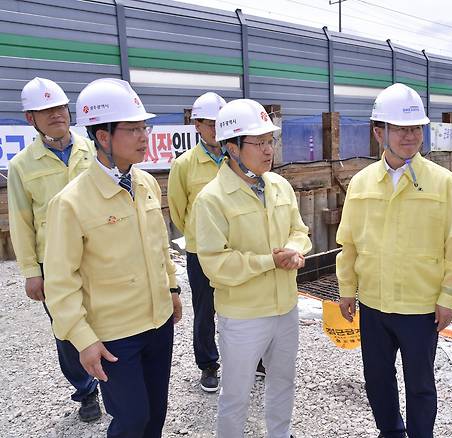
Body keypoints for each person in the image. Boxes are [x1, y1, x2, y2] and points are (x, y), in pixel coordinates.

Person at [43, 78, 182, 438]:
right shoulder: (71, 203)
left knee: (156, 415)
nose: (144, 136)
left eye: (144, 127)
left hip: (159, 324)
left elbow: (159, 244)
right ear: (102, 137)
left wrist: (173, 288)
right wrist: (82, 338)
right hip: (116, 336)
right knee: (131, 420)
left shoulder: (146, 183)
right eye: (133, 129)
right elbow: (60, 281)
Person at [336, 83, 452, 438]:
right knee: (377, 378)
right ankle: (391, 432)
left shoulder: (444, 183)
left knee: (421, 384)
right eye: (400, 128)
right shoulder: (362, 182)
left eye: (415, 128)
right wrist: (347, 290)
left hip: (420, 306)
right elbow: (348, 242)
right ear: (379, 132)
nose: (410, 136)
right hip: (374, 304)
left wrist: (448, 298)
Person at [192, 98, 311, 438]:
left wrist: (295, 250)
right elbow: (215, 264)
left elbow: (299, 231)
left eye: (269, 140)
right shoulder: (212, 199)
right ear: (231, 147)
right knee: (236, 394)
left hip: (285, 308)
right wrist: (269, 262)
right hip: (243, 315)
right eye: (258, 143)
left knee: (283, 383)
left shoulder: (279, 186)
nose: (267, 149)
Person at [8, 77, 101, 422]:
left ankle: (113, 377)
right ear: (31, 119)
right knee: (67, 328)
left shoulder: (91, 152)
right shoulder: (22, 166)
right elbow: (21, 222)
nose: (56, 115)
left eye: (60, 107)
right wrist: (32, 272)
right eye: (46, 111)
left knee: (105, 318)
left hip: (98, 253)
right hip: (54, 263)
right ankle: (86, 390)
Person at [168, 92, 227, 392]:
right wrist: (200, 234)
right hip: (201, 251)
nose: (217, 129)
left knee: (242, 305)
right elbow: (179, 210)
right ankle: (208, 364)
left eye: (222, 122)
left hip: (235, 247)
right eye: (211, 123)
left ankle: (251, 357)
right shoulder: (184, 165)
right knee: (205, 310)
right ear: (197, 125)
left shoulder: (237, 158)